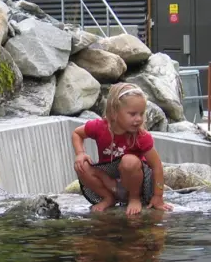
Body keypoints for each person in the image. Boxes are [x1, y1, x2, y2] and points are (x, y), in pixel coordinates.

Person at [71, 83, 168, 216]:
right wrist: (80, 153)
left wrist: (158, 196)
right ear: (114, 112)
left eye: (141, 113)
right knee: (81, 166)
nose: (138, 119)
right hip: (111, 180)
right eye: (133, 114)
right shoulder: (100, 127)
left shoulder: (141, 137)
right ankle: (108, 198)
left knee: (129, 161)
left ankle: (134, 199)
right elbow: (77, 133)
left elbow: (157, 166)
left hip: (137, 184)